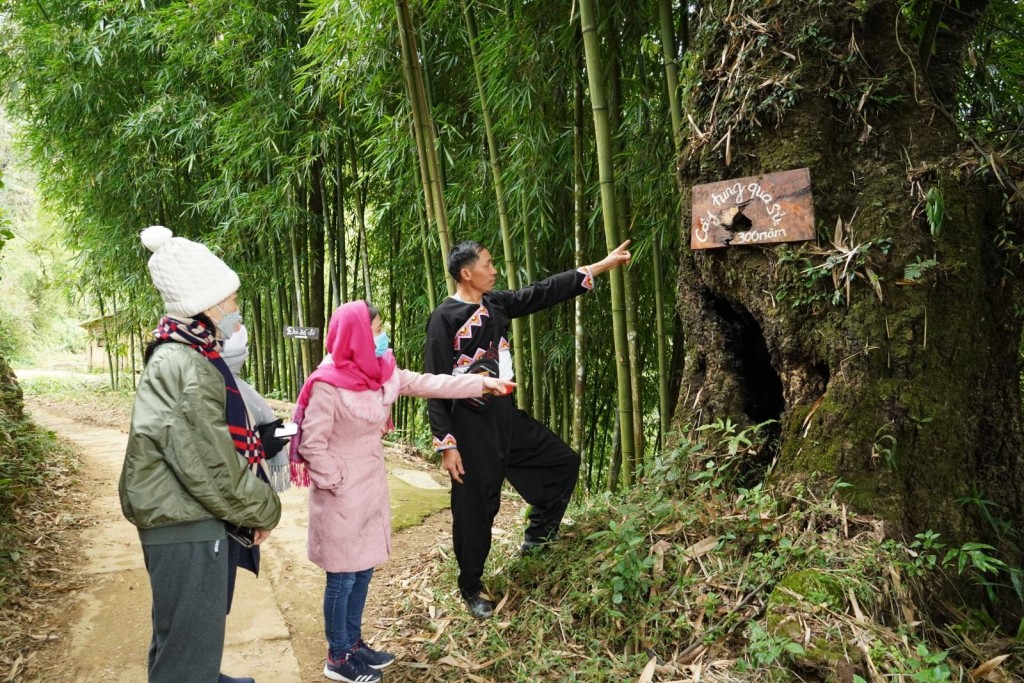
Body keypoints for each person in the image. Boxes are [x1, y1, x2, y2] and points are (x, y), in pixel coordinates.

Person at [289, 300, 513, 683]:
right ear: (357, 335)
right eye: (376, 329)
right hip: (341, 494)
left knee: (361, 572)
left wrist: (482, 382)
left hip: (370, 486)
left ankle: (354, 643)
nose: (383, 336)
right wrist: (337, 481)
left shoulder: (381, 371)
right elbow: (312, 444)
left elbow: (431, 382)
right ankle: (337, 657)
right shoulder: (327, 383)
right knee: (342, 577)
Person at [425, 239, 632, 618]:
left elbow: (543, 292)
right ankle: (471, 587)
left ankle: (537, 539)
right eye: (487, 264)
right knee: (475, 510)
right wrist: (447, 443)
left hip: (505, 415)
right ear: (466, 273)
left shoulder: (496, 304)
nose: (494, 269)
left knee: (561, 462)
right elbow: (433, 383)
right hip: (469, 427)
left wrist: (601, 266)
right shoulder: (445, 319)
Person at [119, 225, 282, 683]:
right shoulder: (186, 364)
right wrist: (263, 508)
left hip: (182, 518)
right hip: (185, 521)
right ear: (207, 306)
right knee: (187, 640)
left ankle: (202, 672)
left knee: (184, 632)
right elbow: (210, 468)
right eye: (231, 302)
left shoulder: (189, 354)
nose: (235, 311)